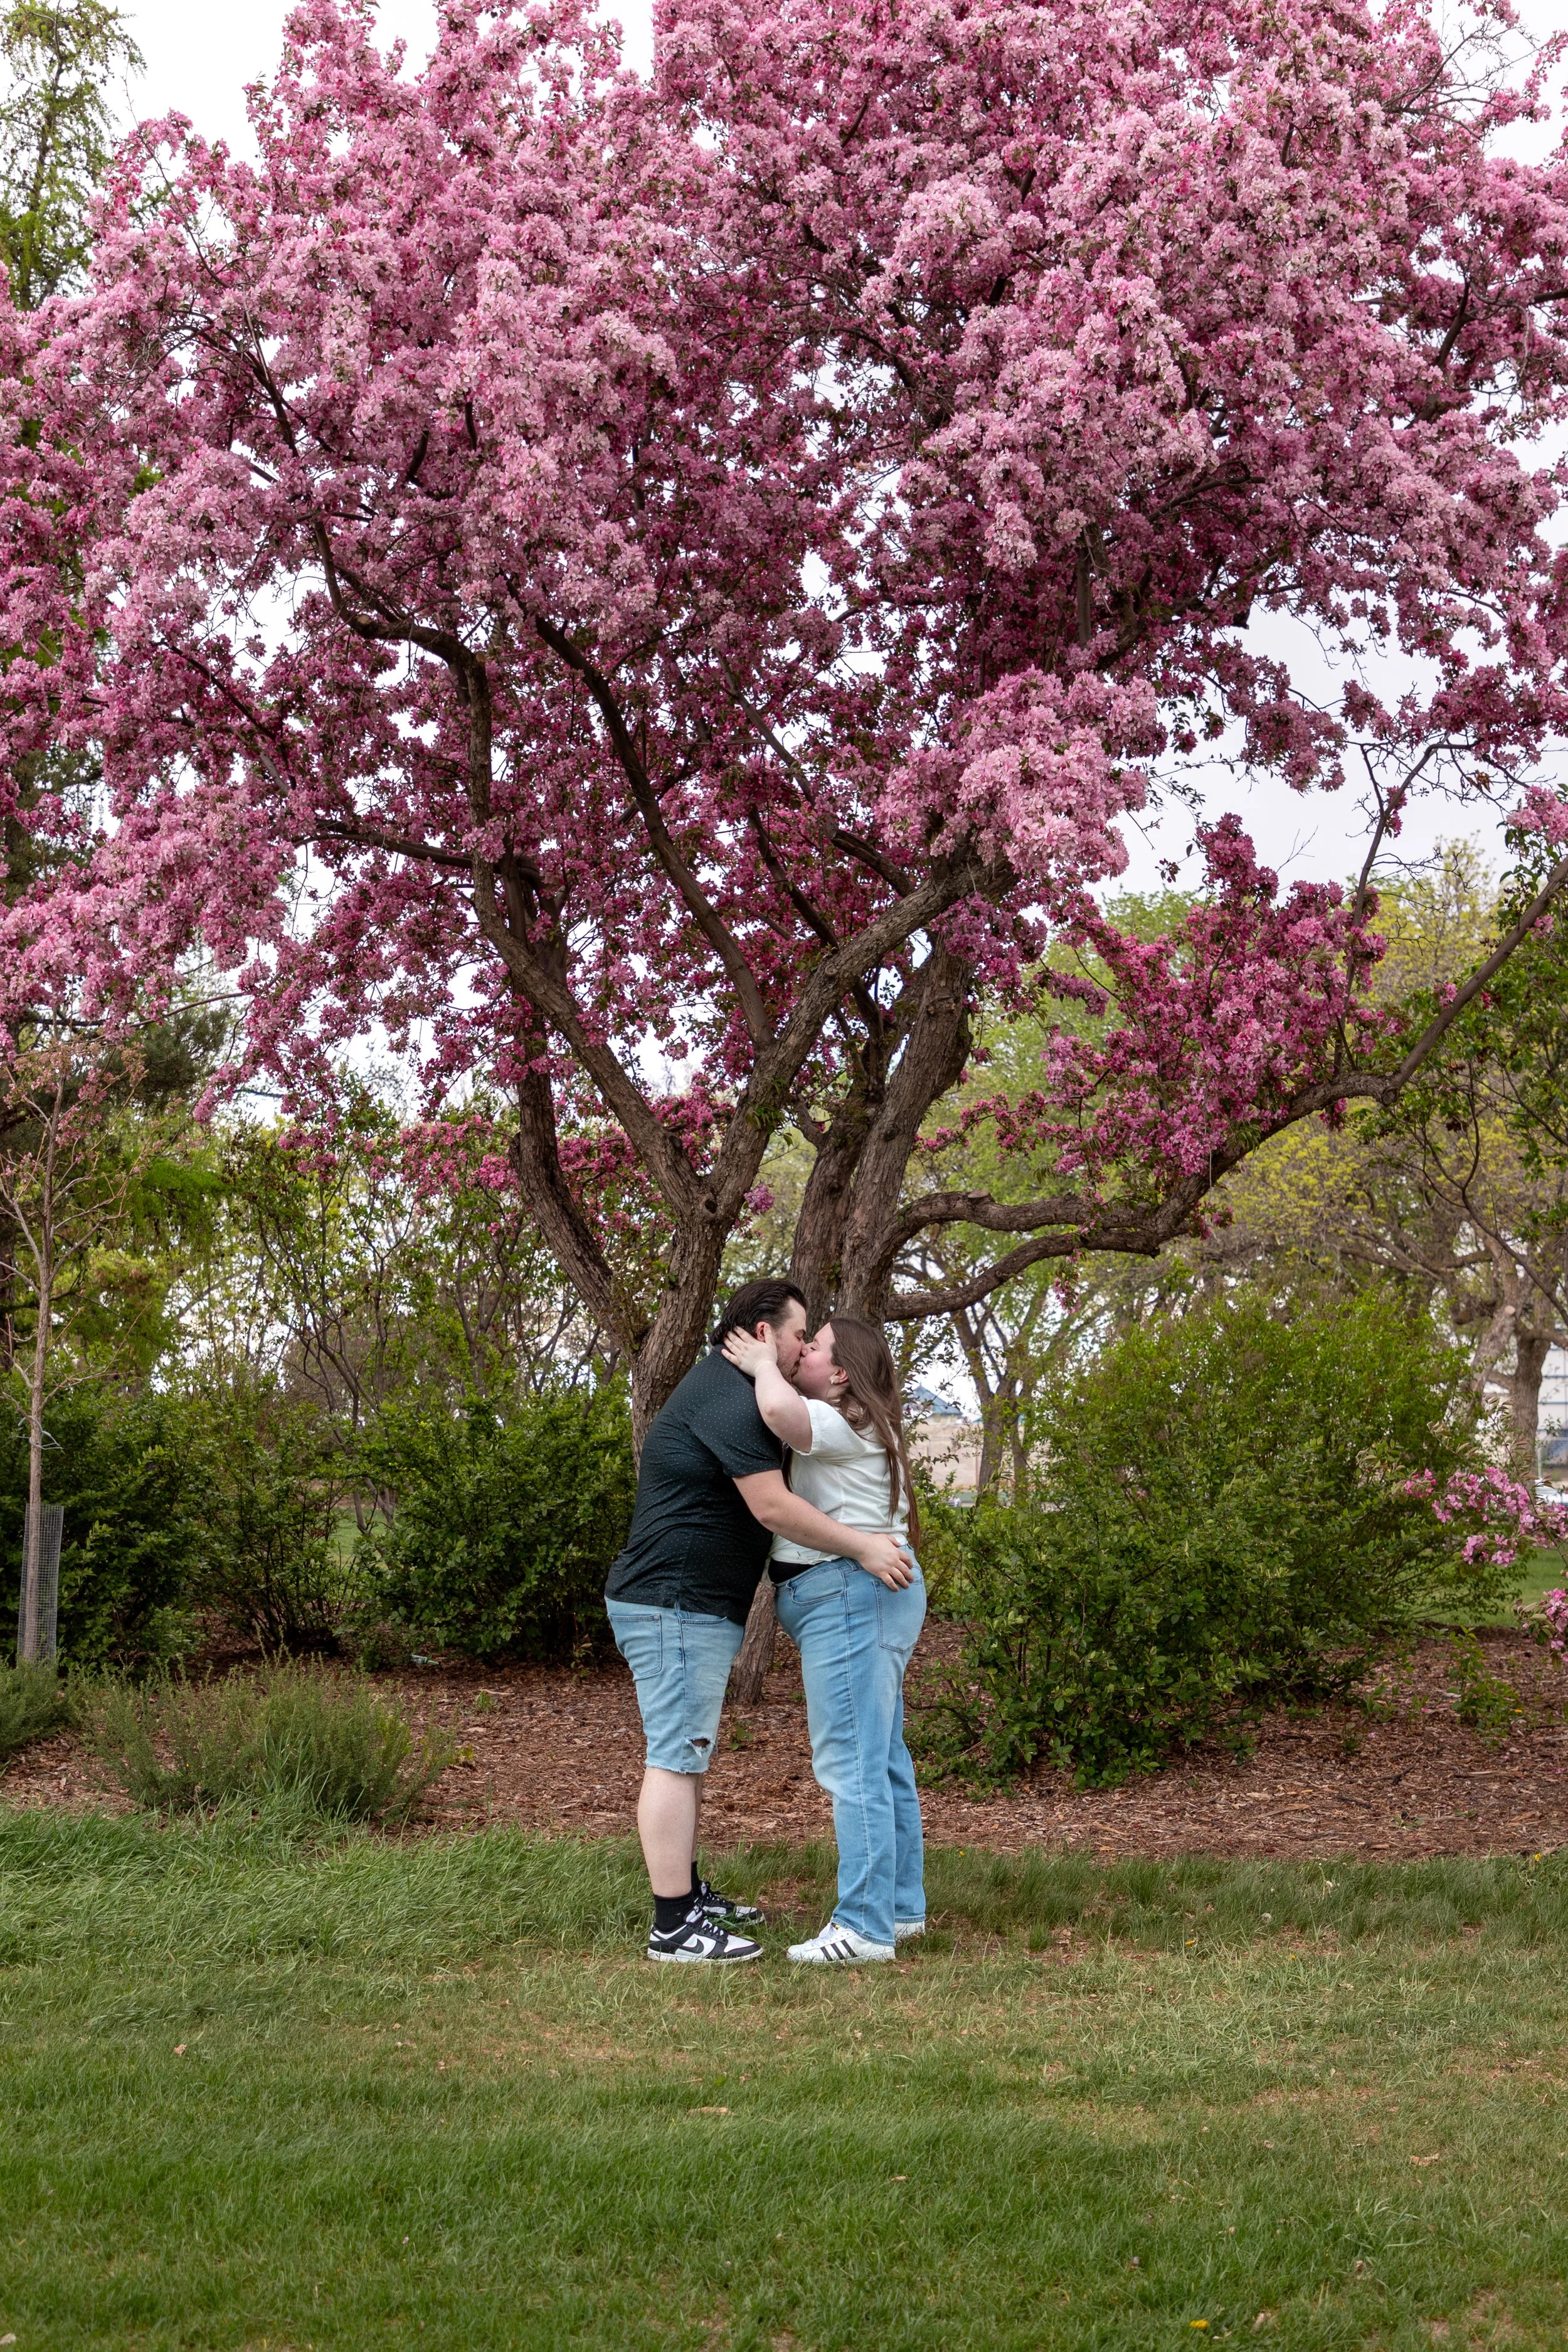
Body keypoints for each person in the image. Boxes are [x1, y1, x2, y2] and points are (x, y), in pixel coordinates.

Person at [605, 1278, 914, 1965]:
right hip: (673, 1602)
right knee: (675, 1756)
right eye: (799, 1332)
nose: (804, 1345)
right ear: (763, 1333)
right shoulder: (729, 1398)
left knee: (686, 1754)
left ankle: (688, 1896)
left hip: (691, 1604)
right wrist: (864, 1545)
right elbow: (773, 1509)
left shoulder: (750, 1395)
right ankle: (674, 1925)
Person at [721, 1313, 924, 1965]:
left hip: (849, 1595)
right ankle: (899, 1908)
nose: (801, 1352)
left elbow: (781, 1417)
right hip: (866, 1596)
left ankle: (863, 1927)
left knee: (852, 1761)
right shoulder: (865, 1423)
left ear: (840, 1373)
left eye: (814, 1347)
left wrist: (757, 1364)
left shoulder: (844, 1419)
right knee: (881, 1754)